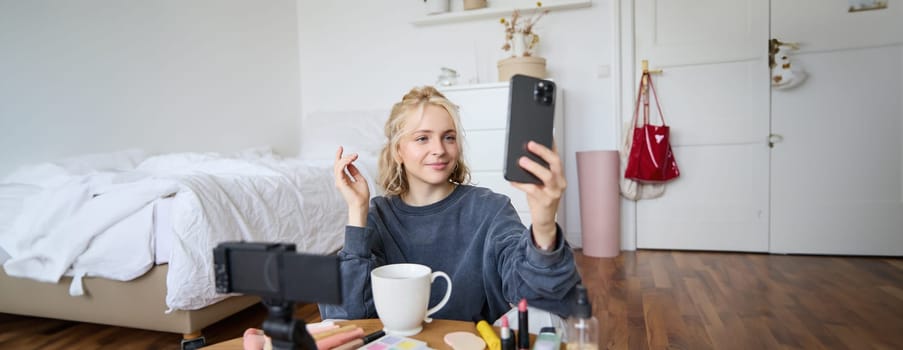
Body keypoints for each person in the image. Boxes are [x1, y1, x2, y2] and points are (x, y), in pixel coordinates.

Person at [319, 86, 580, 323]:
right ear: (398, 151)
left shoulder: (490, 209)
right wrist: (357, 211)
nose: (440, 150)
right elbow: (345, 316)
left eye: (449, 137)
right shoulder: (377, 216)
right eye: (423, 138)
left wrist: (544, 222)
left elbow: (535, 294)